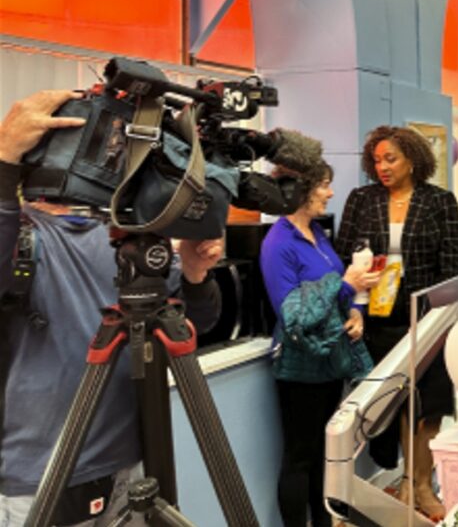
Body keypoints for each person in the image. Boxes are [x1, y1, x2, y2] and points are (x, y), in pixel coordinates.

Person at [0, 90, 223, 526]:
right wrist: (6, 156)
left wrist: (195, 273)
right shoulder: (22, 233)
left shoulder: (128, 240)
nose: (113, 156)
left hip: (128, 464)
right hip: (39, 476)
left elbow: (194, 325)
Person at [334, 126, 458, 521]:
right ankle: (404, 482)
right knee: (393, 406)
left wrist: (442, 316)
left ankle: (421, 484)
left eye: (390, 158)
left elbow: (454, 266)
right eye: (376, 160)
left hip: (426, 317)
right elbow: (344, 254)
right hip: (377, 319)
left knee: (429, 406)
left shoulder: (439, 201)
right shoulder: (362, 199)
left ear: (412, 159)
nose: (382, 167)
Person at [260, 159, 377, 527]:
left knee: (324, 455)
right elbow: (294, 317)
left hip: (329, 362)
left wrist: (354, 311)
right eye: (323, 185)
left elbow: (334, 293)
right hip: (300, 369)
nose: (329, 193)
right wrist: (346, 285)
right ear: (300, 190)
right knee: (300, 457)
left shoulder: (317, 234)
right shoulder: (279, 244)